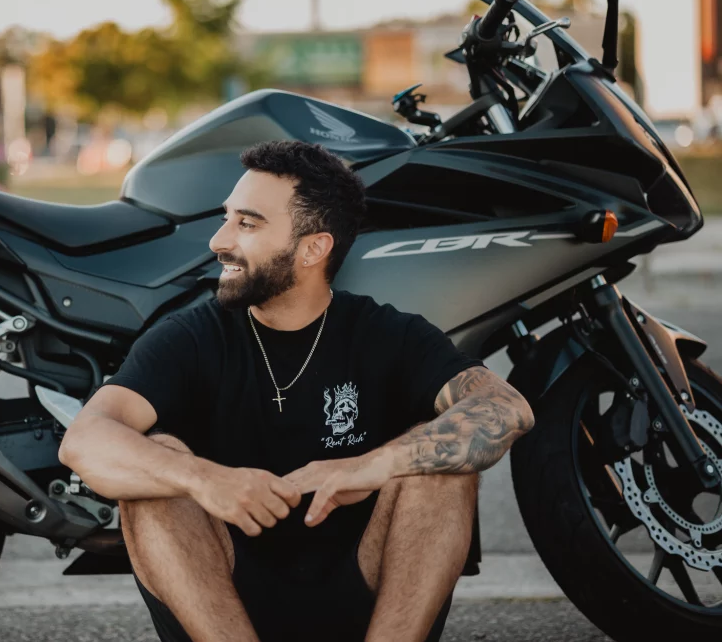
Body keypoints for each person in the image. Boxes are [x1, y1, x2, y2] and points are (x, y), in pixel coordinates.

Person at [59, 140, 535, 642]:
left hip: (368, 599)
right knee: (155, 467)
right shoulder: (190, 337)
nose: (218, 241)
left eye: (247, 224)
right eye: (226, 218)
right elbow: (84, 440)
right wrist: (204, 479)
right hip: (221, 606)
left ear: (313, 248)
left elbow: (507, 409)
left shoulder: (386, 334)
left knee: (439, 464)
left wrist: (373, 465)